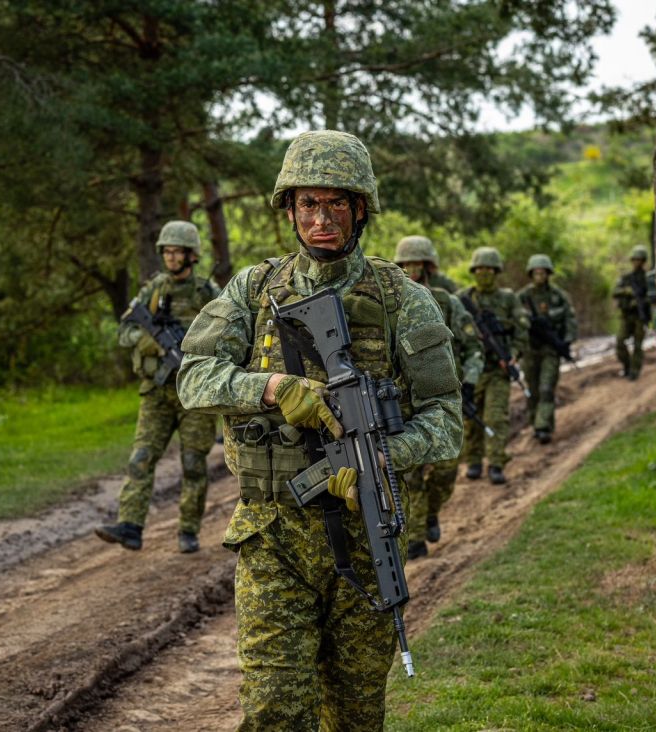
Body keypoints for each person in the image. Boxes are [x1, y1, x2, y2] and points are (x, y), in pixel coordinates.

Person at [176, 130, 462, 730]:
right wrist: (272, 388)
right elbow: (194, 377)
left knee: (355, 715)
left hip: (366, 534)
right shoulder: (254, 291)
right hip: (272, 534)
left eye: (336, 204)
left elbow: (444, 419)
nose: (321, 219)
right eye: (308, 203)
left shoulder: (404, 301)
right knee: (275, 710)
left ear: (360, 210)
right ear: (290, 209)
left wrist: (380, 458)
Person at [94, 221, 220, 554]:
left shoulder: (207, 293)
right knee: (141, 458)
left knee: (193, 464)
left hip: (194, 394)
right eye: (167, 251)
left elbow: (229, 333)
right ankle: (130, 526)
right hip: (156, 393)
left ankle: (188, 530)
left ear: (192, 255)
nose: (171, 257)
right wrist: (148, 342)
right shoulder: (153, 291)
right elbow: (125, 332)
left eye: (177, 252)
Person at [393, 235, 484, 559]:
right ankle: (416, 537)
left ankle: (431, 512)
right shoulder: (388, 303)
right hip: (402, 404)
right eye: (406, 264)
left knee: (446, 471)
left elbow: (473, 347)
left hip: (441, 399)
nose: (412, 269)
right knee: (411, 476)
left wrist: (470, 381)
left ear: (429, 266)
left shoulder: (448, 302)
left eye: (417, 263)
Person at [458, 246, 529, 485]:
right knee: (471, 417)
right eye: (480, 269)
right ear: (473, 271)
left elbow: (521, 329)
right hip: (471, 371)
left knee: (496, 417)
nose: (484, 274)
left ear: (497, 272)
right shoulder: (463, 299)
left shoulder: (508, 299)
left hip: (498, 370)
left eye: (489, 270)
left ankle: (496, 463)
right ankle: (474, 462)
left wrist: (514, 354)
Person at [517, 254, 577, 444]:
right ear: (530, 274)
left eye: (543, 272)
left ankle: (543, 426)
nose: (540, 276)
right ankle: (536, 422)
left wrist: (566, 342)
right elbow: (513, 321)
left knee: (546, 388)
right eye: (536, 273)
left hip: (551, 349)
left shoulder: (559, 296)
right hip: (530, 349)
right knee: (533, 390)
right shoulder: (522, 297)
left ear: (548, 274)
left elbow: (570, 320)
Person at [612, 245, 650, 381]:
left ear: (643, 261)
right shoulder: (626, 278)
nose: (636, 262)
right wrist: (626, 292)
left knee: (638, 345)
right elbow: (615, 292)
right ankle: (627, 366)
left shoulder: (647, 278)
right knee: (620, 342)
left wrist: (642, 301)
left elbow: (653, 296)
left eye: (639, 260)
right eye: (634, 259)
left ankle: (634, 372)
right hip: (626, 316)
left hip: (640, 316)